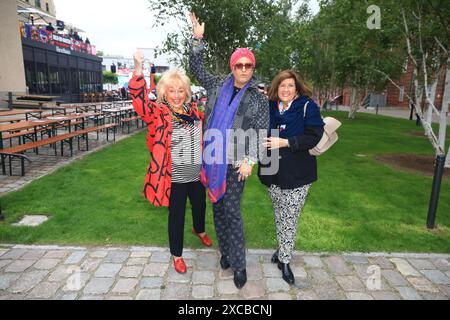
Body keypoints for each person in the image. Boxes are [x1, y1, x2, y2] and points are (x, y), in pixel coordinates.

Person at [189, 12, 269, 289]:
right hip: (212, 160)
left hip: (237, 163)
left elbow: (260, 132)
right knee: (218, 209)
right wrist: (197, 40)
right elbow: (196, 69)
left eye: (248, 65)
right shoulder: (216, 86)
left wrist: (250, 160)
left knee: (232, 210)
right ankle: (225, 254)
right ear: (232, 66)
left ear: (252, 67)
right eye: (239, 65)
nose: (244, 69)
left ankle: (240, 265)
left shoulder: (257, 98)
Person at [129, 50, 212, 274]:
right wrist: (138, 67)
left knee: (200, 205)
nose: (176, 95)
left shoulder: (194, 112)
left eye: (180, 90)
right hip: (174, 177)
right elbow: (139, 102)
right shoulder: (159, 112)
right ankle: (177, 255)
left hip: (196, 174)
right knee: (176, 216)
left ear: (187, 92)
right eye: (171, 90)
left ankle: (199, 230)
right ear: (164, 92)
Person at [260, 70, 324, 285]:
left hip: (297, 173)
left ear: (296, 88)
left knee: (290, 217)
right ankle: (281, 250)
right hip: (272, 170)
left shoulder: (307, 106)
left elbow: (314, 136)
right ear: (275, 88)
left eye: (290, 85)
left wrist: (286, 142)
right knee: (280, 214)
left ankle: (285, 261)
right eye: (282, 86)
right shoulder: (269, 106)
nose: (285, 89)